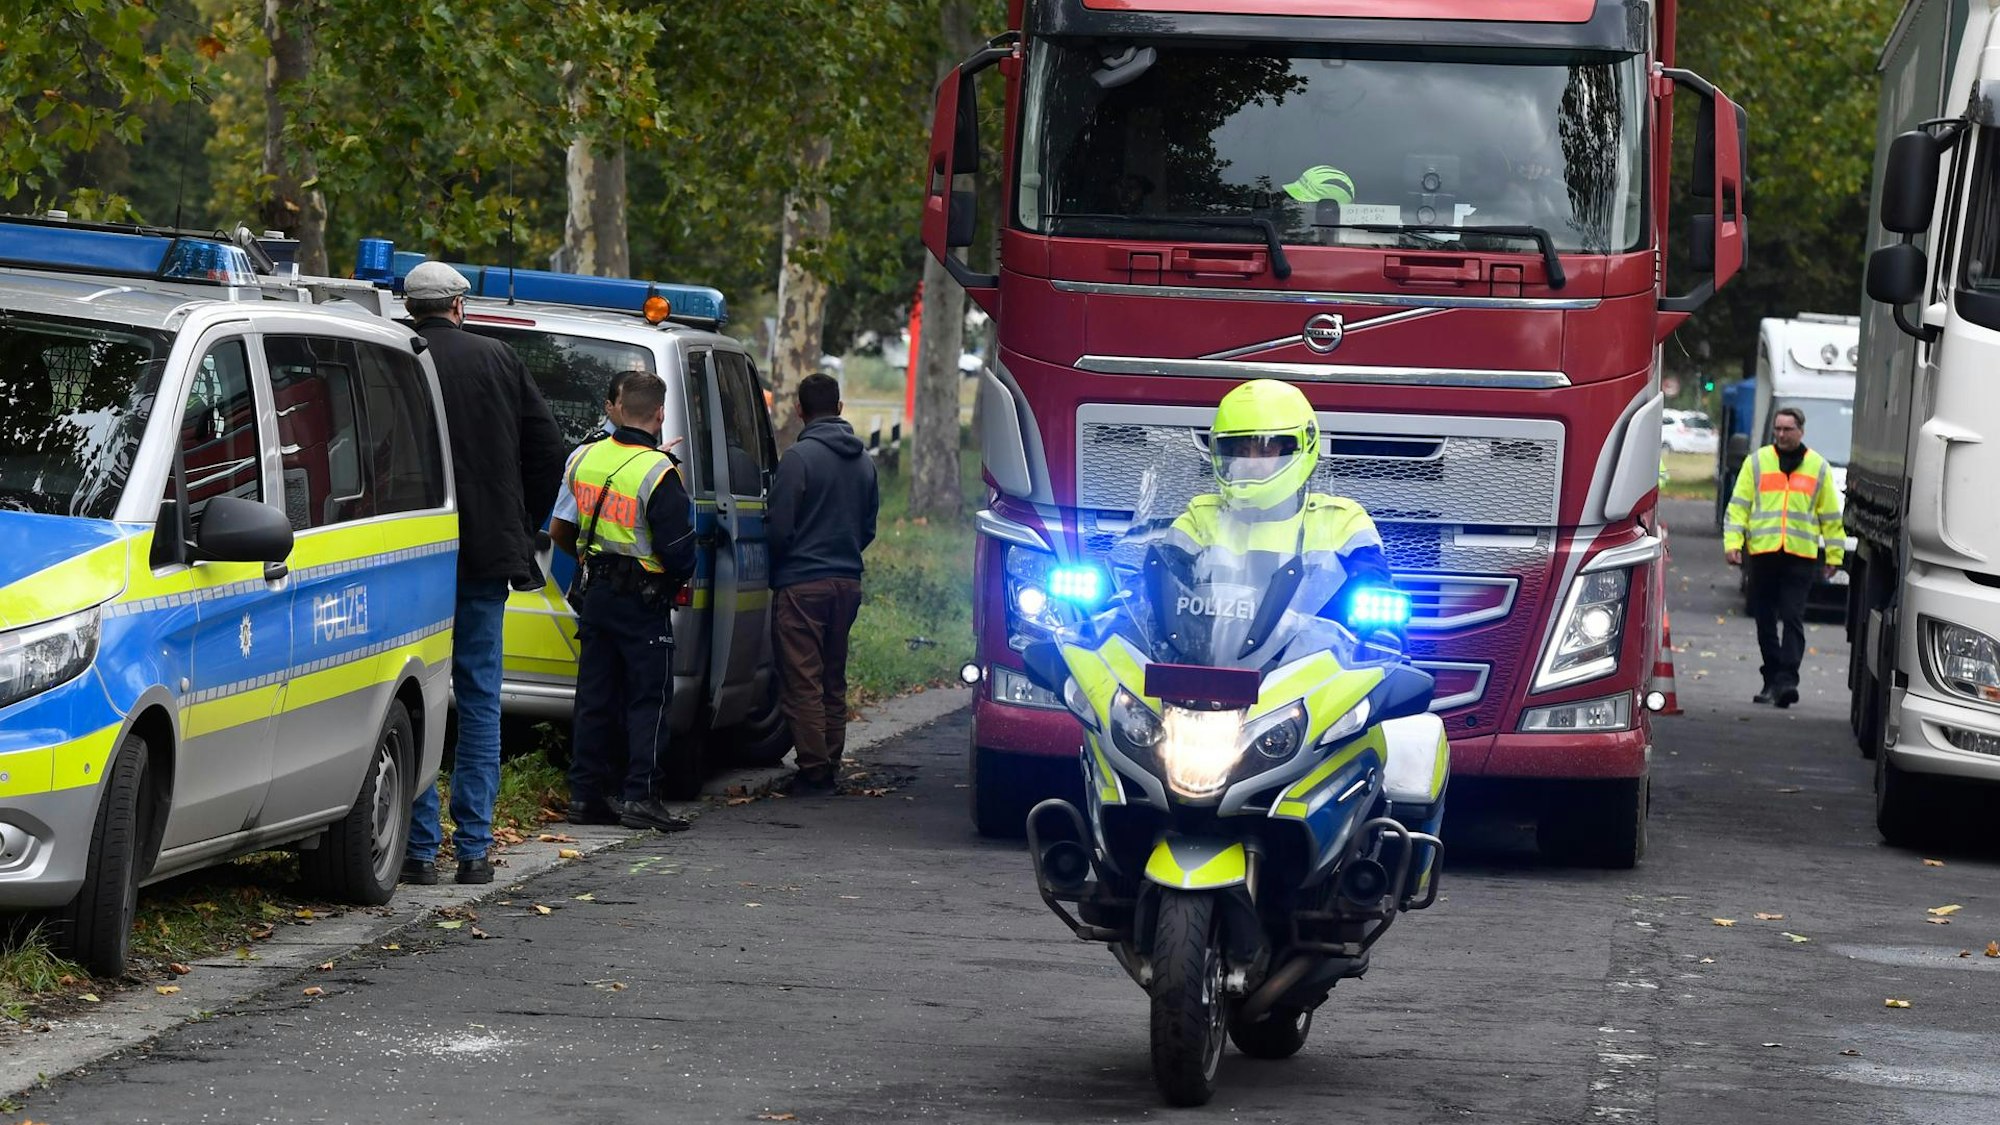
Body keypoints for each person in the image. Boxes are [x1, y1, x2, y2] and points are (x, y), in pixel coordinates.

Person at [401, 260, 569, 886]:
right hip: (483, 555)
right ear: (459, 306)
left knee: (413, 698)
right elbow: (548, 448)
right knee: (477, 700)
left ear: (410, 305)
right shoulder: (498, 359)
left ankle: (416, 851)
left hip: (412, 558)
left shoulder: (398, 352)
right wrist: (519, 522)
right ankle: (473, 849)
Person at [550, 371, 698, 831]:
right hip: (643, 603)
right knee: (647, 701)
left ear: (617, 407)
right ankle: (641, 797)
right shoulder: (660, 472)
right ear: (659, 413)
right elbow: (680, 554)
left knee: (594, 698)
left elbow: (560, 530)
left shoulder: (583, 458)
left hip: (595, 595)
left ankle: (586, 797)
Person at [1167, 378, 1391, 613]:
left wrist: (1383, 633)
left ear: (1299, 448)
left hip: (1314, 650)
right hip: (1207, 648)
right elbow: (1155, 583)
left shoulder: (1341, 521)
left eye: (1265, 450)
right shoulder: (1200, 518)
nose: (1251, 463)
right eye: (1241, 452)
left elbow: (1375, 587)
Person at [770, 373, 879, 793]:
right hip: (846, 583)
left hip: (802, 584)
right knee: (833, 677)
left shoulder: (798, 459)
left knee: (803, 681)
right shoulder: (865, 461)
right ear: (840, 407)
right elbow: (868, 526)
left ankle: (814, 771)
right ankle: (830, 760)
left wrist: (787, 563)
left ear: (800, 410)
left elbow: (779, 528)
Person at [1723, 406, 1845, 709]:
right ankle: (1771, 679)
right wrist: (1733, 542)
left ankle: (1787, 680)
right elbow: (1738, 506)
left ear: (1800, 431)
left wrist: (1834, 554)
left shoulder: (1817, 467)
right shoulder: (1757, 462)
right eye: (1777, 429)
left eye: (1787, 429)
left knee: (1792, 618)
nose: (1781, 434)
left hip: (1799, 556)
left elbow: (1830, 516)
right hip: (1763, 554)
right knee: (1764, 620)